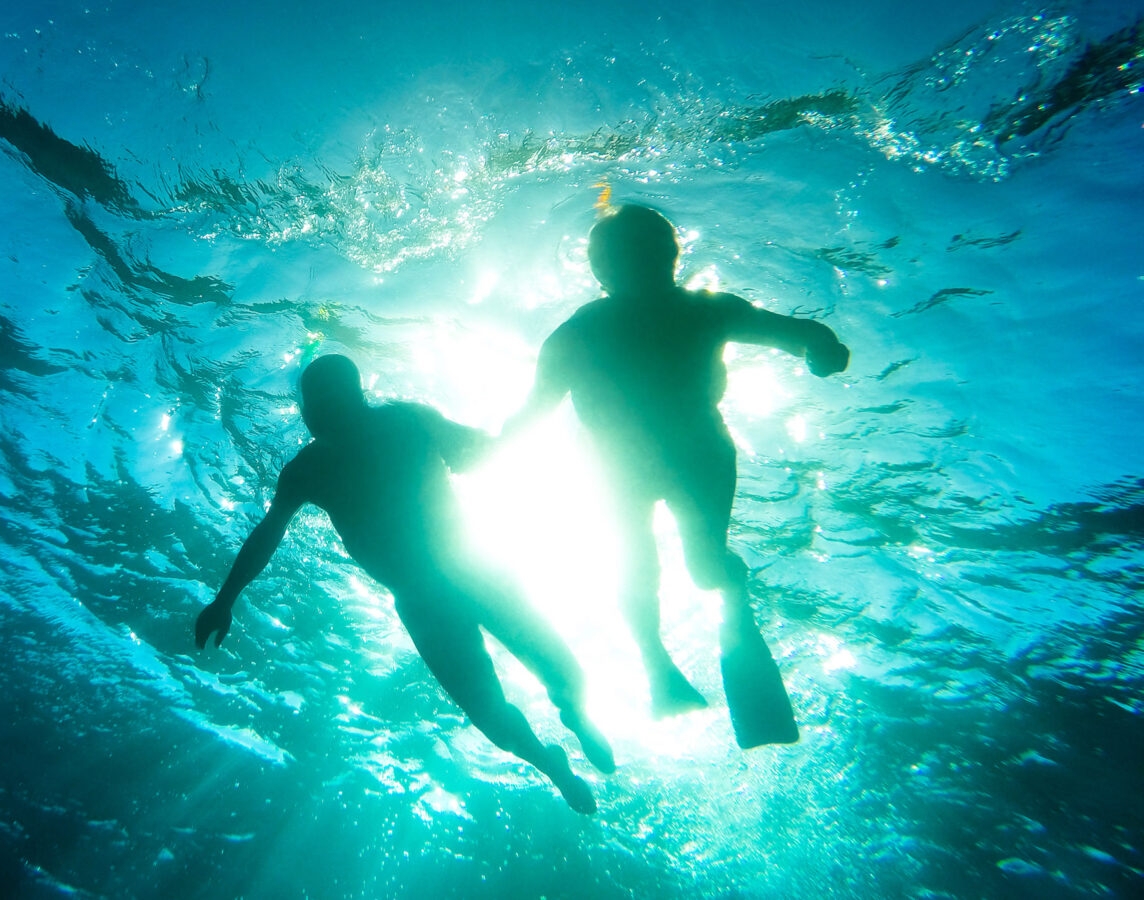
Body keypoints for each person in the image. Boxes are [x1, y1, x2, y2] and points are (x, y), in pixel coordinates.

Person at [196, 355, 614, 814]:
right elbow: (267, 535)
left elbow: (478, 452)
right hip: (429, 597)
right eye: (311, 402)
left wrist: (509, 443)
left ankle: (578, 716)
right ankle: (550, 763)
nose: (314, 412)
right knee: (489, 711)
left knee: (558, 669)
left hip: (475, 570)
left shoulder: (404, 422)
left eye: (324, 399)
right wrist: (224, 599)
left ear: (355, 395)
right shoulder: (308, 468)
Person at [504, 205, 850, 749]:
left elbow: (528, 420)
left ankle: (665, 661)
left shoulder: (585, 331)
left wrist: (821, 346)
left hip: (648, 463)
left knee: (653, 566)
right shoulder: (689, 314)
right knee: (686, 564)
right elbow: (798, 333)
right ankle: (680, 648)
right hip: (680, 457)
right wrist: (823, 348)